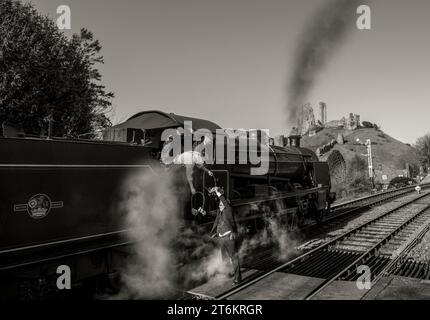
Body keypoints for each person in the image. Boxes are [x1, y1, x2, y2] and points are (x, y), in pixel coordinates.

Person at [209, 187, 242, 285]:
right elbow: (216, 221)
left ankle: (238, 278)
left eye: (220, 204)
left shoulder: (228, 210)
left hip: (229, 238)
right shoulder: (220, 212)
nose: (219, 205)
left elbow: (224, 202)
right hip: (222, 238)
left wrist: (217, 192)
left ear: (225, 204)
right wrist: (202, 212)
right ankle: (229, 273)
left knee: (234, 257)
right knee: (224, 258)